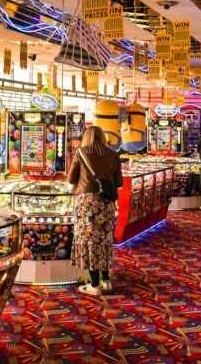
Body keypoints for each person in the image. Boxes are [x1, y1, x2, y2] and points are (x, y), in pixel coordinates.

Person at [67, 126, 123, 296]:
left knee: (90, 241)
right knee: (104, 241)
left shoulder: (81, 152)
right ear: (103, 137)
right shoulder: (113, 154)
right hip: (106, 203)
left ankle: (94, 284)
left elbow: (70, 178)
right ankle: (106, 281)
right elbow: (119, 182)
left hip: (87, 204)